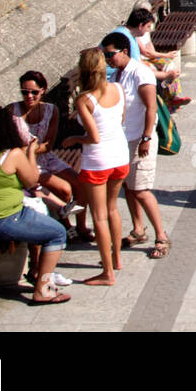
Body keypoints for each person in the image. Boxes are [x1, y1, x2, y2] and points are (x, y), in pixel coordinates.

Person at [0, 106, 71, 304]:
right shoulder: (12, 154)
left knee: (37, 214)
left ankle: (35, 270)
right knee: (57, 233)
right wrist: (32, 151)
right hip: (4, 219)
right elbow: (33, 181)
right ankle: (43, 288)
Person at [61, 47, 129, 286]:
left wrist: (74, 140)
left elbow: (94, 137)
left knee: (99, 217)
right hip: (120, 156)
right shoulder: (118, 89)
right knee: (113, 209)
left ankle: (107, 273)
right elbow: (120, 119)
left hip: (98, 160)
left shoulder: (84, 99)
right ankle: (117, 258)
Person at [101, 33, 171, 260]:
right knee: (129, 188)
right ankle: (138, 229)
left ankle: (161, 236)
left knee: (141, 189)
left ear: (124, 51)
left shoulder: (140, 73)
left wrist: (147, 138)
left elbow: (151, 108)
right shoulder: (119, 74)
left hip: (141, 140)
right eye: (105, 55)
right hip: (124, 139)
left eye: (110, 54)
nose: (108, 59)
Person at [8, 70, 88, 244]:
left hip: (46, 157)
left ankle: (81, 226)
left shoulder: (50, 110)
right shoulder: (12, 112)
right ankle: (66, 226)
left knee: (81, 183)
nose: (29, 96)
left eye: (34, 92)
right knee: (65, 190)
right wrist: (30, 150)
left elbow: (48, 145)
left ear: (43, 90)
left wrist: (29, 148)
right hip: (26, 164)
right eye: (24, 92)